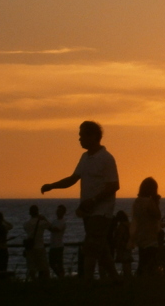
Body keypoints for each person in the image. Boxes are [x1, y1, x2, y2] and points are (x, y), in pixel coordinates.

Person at [40, 120, 121, 283]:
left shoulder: (106, 158)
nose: (79, 139)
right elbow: (73, 178)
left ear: (93, 136)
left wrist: (94, 200)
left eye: (82, 135)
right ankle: (116, 280)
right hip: (88, 211)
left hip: (102, 211)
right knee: (101, 248)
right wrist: (52, 186)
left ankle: (87, 280)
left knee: (91, 246)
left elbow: (114, 185)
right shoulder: (85, 157)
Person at [130, 177, 165, 277]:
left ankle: (141, 278)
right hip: (150, 235)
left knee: (142, 259)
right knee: (151, 260)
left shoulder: (137, 202)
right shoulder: (148, 202)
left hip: (140, 234)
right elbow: (157, 215)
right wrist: (156, 202)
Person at [22, 205, 49, 281]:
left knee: (31, 267)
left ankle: (33, 281)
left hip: (30, 248)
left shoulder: (26, 224)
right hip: (40, 247)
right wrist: (43, 218)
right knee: (43, 267)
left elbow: (26, 230)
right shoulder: (42, 223)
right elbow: (50, 226)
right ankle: (42, 281)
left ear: (30, 213)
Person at [110, 210, 133, 280]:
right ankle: (128, 276)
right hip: (129, 244)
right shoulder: (129, 225)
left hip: (123, 245)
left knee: (125, 262)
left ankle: (126, 277)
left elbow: (119, 237)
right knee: (127, 262)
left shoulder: (122, 226)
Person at [47, 205, 67, 278]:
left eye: (59, 211)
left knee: (59, 264)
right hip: (53, 246)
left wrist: (45, 220)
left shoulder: (63, 222)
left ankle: (61, 277)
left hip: (58, 246)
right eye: (57, 210)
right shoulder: (54, 221)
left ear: (63, 212)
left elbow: (55, 229)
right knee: (51, 263)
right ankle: (60, 276)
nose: (57, 212)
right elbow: (51, 228)